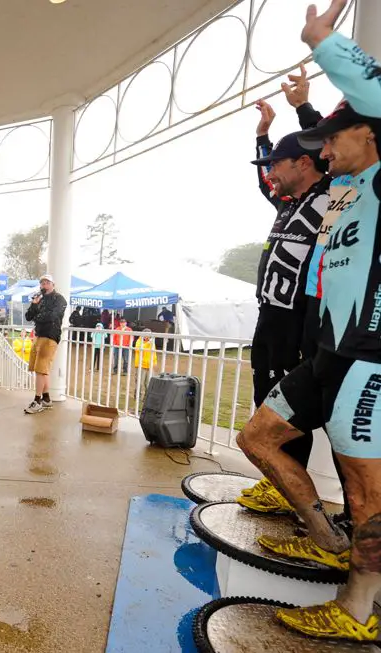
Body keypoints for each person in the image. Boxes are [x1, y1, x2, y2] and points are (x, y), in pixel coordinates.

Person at [235, 3, 381, 640]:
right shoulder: (344, 188)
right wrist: (290, 121)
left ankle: (359, 607)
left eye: (335, 138)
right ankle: (324, 538)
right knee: (258, 438)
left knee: (366, 487)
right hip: (328, 352)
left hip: (371, 355)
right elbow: (290, 171)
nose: (325, 149)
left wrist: (322, 41)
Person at [237, 69, 332, 514]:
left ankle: (297, 497)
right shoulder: (287, 204)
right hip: (269, 319)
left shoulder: (332, 195)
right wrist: (263, 135)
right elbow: (264, 183)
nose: (270, 171)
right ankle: (278, 487)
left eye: (277, 162)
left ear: (306, 162)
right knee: (265, 401)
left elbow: (334, 147)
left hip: (302, 323)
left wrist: (303, 108)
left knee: (292, 415)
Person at [22, 275, 66, 414]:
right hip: (39, 335)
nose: (44, 285)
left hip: (50, 336)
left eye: (47, 282)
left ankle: (37, 400)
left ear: (53, 284)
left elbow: (53, 316)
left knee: (41, 368)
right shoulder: (39, 299)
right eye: (42, 283)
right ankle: (46, 399)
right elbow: (28, 316)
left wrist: (38, 317)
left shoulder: (59, 299)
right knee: (39, 369)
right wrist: (34, 305)